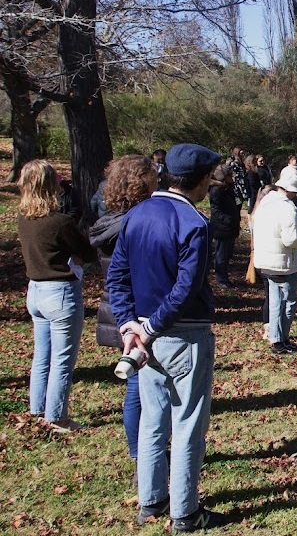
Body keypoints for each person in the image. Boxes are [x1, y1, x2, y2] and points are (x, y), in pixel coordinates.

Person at [106, 143, 222, 530]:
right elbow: (187, 288)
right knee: (188, 423)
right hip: (182, 334)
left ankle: (151, 500)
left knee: (153, 420)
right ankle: (185, 511)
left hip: (145, 336)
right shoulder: (195, 224)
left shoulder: (136, 214)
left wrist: (130, 326)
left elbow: (117, 277)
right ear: (202, 180)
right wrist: (144, 327)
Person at [17, 160, 97, 433]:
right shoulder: (60, 222)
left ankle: (37, 407)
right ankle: (57, 416)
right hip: (59, 292)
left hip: (36, 291)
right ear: (51, 185)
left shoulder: (23, 218)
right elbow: (87, 253)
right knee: (62, 360)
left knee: (42, 356)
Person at [89, 155, 158, 469]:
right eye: (153, 177)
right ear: (140, 183)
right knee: (138, 385)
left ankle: (143, 449)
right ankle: (141, 452)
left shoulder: (112, 221)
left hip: (119, 306)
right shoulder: (131, 225)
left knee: (138, 382)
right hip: (133, 311)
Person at [252, 177, 297, 354]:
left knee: (275, 301)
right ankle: (282, 338)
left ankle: (276, 339)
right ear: (290, 190)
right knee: (290, 301)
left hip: (265, 262)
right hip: (283, 263)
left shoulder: (265, 202)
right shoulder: (287, 208)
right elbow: (290, 239)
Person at [208, 165, 241, 287]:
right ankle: (221, 279)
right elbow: (215, 209)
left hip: (230, 227)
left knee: (227, 254)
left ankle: (224, 276)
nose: (232, 177)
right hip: (222, 228)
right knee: (221, 255)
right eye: (229, 175)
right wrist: (227, 220)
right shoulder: (216, 190)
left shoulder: (228, 189)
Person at [278, 154, 297, 226]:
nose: (296, 161)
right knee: (291, 209)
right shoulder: (285, 170)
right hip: (289, 192)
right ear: (290, 161)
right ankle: (291, 223)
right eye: (294, 159)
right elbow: (282, 181)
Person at [226, 145, 248, 209]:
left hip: (242, 184)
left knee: (240, 203)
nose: (242, 154)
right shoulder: (233, 161)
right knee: (237, 203)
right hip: (236, 185)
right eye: (241, 153)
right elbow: (228, 170)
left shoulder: (241, 162)